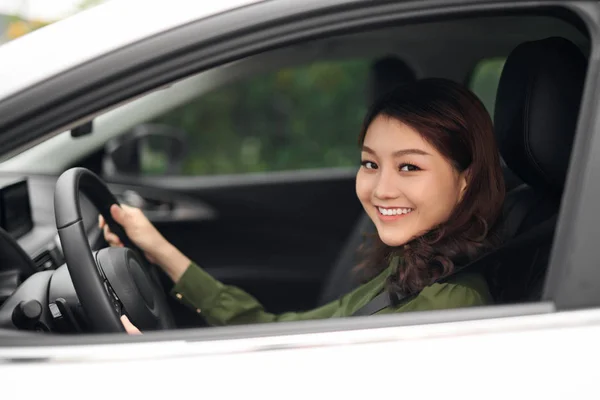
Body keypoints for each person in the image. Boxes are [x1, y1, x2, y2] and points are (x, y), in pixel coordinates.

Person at [100, 78, 506, 334]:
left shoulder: (450, 304)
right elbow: (274, 329)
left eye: (409, 166)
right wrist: (156, 247)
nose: (381, 189)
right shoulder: (410, 271)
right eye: (370, 163)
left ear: (465, 179)